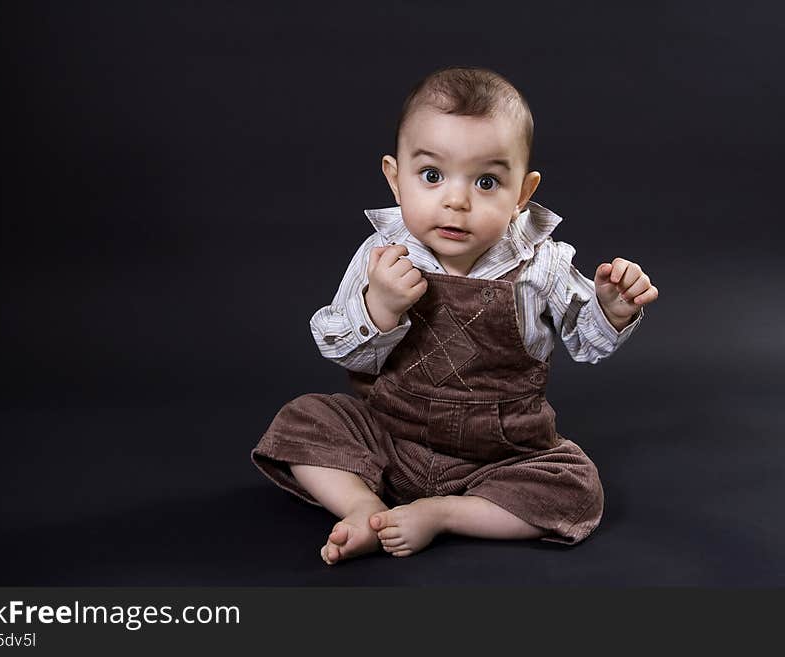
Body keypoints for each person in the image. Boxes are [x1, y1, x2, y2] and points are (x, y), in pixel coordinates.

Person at [251, 65, 659, 565]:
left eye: (487, 181)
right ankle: (363, 506)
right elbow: (338, 346)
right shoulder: (383, 255)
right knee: (304, 420)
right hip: (388, 436)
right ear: (395, 179)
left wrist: (612, 310)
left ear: (522, 194)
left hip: (499, 455)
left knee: (577, 488)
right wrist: (378, 307)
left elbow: (584, 342)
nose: (456, 200)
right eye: (431, 175)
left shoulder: (543, 264)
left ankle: (445, 513)